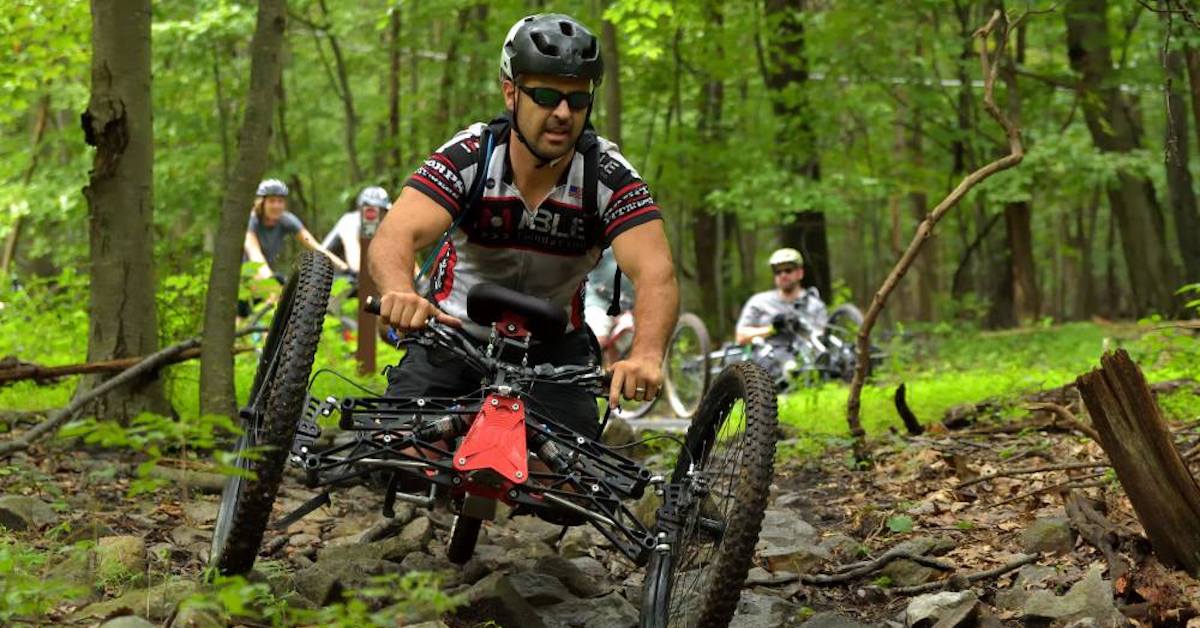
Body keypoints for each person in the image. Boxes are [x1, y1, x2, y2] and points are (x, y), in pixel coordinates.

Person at [369, 13, 678, 439]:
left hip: (555, 352)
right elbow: (395, 234)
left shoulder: (609, 176)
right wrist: (399, 291)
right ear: (511, 93)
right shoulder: (472, 155)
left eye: (578, 99)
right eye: (547, 96)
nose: (563, 113)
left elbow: (656, 272)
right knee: (397, 450)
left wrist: (645, 355)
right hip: (453, 335)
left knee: (571, 474)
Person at [244, 178, 349, 282]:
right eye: (272, 201)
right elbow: (254, 253)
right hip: (247, 271)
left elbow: (315, 246)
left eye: (280, 201)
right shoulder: (251, 221)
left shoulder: (286, 220)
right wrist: (270, 278)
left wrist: (344, 268)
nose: (276, 206)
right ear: (261, 203)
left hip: (265, 272)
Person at [735, 247, 827, 345]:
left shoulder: (814, 304)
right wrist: (773, 329)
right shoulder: (759, 301)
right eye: (778, 272)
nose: (783, 275)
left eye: (788, 270)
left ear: (800, 273)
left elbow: (822, 337)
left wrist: (800, 327)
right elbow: (741, 336)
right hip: (768, 352)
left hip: (803, 352)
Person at [322, 186, 390, 275]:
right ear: (360, 209)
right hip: (323, 275)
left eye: (383, 211)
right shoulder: (350, 221)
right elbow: (355, 265)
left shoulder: (376, 231)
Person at [583, 248, 635, 354]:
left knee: (621, 350)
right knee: (596, 340)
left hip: (631, 308)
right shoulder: (603, 244)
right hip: (598, 300)